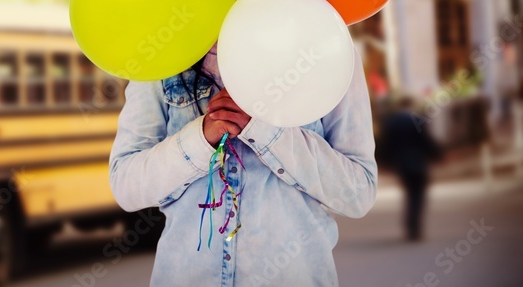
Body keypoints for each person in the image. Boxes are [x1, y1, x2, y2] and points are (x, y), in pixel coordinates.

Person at [110, 45, 377, 286]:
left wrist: (263, 128)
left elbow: (358, 193)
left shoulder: (329, 48)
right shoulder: (161, 55)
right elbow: (126, 185)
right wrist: (200, 137)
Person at [380, 97, 442, 241]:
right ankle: (415, 227)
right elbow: (426, 140)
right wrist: (437, 155)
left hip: (402, 164)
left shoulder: (391, 122)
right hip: (418, 163)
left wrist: (385, 161)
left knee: (409, 194)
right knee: (418, 196)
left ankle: (409, 225)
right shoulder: (418, 119)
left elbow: (387, 144)